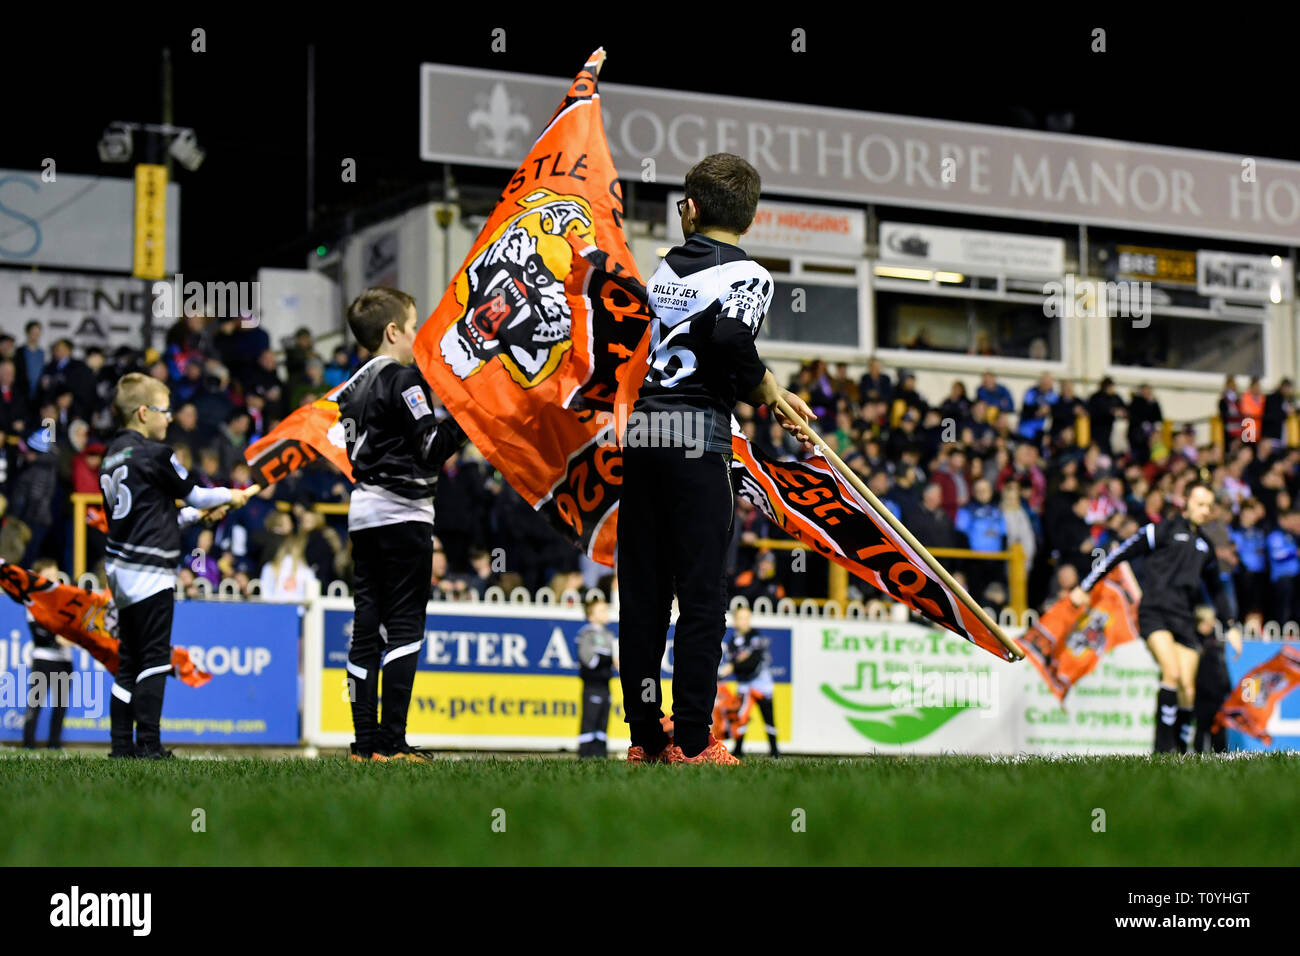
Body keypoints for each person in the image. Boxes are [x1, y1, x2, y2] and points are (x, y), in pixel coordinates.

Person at [618, 153, 813, 766]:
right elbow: (728, 340)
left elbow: (699, 338)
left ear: (691, 209)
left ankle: (647, 738)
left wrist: (770, 386)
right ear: (750, 219)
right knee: (701, 596)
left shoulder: (662, 268)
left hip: (646, 430)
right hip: (698, 436)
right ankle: (697, 740)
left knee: (643, 595)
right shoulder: (750, 276)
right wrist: (768, 393)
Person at [338, 287, 468, 763]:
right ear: (392, 331)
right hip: (404, 514)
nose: (416, 335)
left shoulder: (350, 387)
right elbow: (431, 447)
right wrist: (467, 419)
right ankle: (392, 742)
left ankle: (363, 743)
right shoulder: (403, 378)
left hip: (364, 513)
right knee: (406, 626)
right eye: (412, 326)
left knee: (366, 629)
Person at [99, 373, 255, 758]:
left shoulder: (111, 457)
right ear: (142, 412)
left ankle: (122, 747)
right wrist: (232, 497)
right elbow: (197, 494)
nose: (168, 419)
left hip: (120, 569)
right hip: (150, 571)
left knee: (129, 661)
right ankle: (150, 745)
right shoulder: (155, 454)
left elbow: (154, 515)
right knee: (154, 656)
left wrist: (192, 518)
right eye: (164, 411)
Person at [1071, 482, 1240, 753]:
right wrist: (1085, 586)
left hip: (1184, 618)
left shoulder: (1205, 545)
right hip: (1155, 612)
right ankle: (1163, 750)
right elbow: (1122, 552)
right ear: (1185, 502)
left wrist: (1230, 623)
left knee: (1187, 687)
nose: (1204, 510)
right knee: (1171, 673)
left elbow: (1216, 588)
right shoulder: (1163, 530)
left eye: (1209, 505)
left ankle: (1182, 751)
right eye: (1199, 503)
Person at [21, 558, 73, 749]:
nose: (53, 579)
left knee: (60, 706)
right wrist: (58, 638)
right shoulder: (34, 600)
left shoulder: (66, 599)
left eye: (55, 575)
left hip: (64, 661)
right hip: (44, 659)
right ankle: (28, 743)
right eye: (48, 575)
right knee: (35, 704)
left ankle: (54, 743)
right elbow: (40, 632)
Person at [719, 606, 779, 757]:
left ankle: (774, 750)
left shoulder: (756, 637)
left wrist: (733, 666)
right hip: (744, 685)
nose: (744, 621)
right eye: (740, 618)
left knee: (768, 717)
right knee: (741, 718)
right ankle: (738, 750)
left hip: (761, 684)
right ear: (735, 620)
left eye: (747, 618)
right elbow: (738, 663)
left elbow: (752, 661)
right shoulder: (733, 641)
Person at [575, 596, 617, 758]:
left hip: (605, 684)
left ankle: (600, 754)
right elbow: (591, 660)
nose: (606, 613)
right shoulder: (586, 635)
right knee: (590, 719)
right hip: (592, 685)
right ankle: (585, 754)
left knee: (603, 720)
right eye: (601, 610)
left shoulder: (609, 635)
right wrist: (608, 657)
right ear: (591, 616)